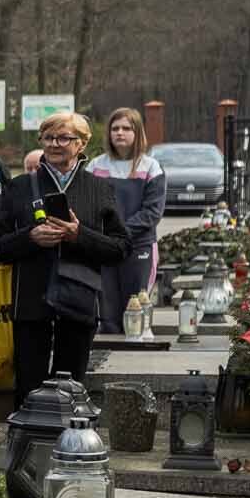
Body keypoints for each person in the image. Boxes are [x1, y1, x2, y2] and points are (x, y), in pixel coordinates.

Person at [0, 112, 129, 405]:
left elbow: (120, 248)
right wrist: (30, 237)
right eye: (48, 137)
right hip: (30, 304)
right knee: (29, 392)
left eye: (64, 138)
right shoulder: (20, 187)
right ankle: (27, 435)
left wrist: (80, 235)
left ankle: (69, 436)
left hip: (79, 303)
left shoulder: (99, 188)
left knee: (71, 393)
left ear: (82, 144)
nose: (54, 144)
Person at [87, 107, 166, 332]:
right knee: (108, 314)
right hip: (105, 249)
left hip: (139, 247)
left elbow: (152, 212)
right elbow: (88, 206)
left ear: (137, 132)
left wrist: (120, 233)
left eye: (126, 128)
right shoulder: (95, 166)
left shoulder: (151, 167)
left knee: (136, 310)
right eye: (115, 128)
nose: (119, 133)